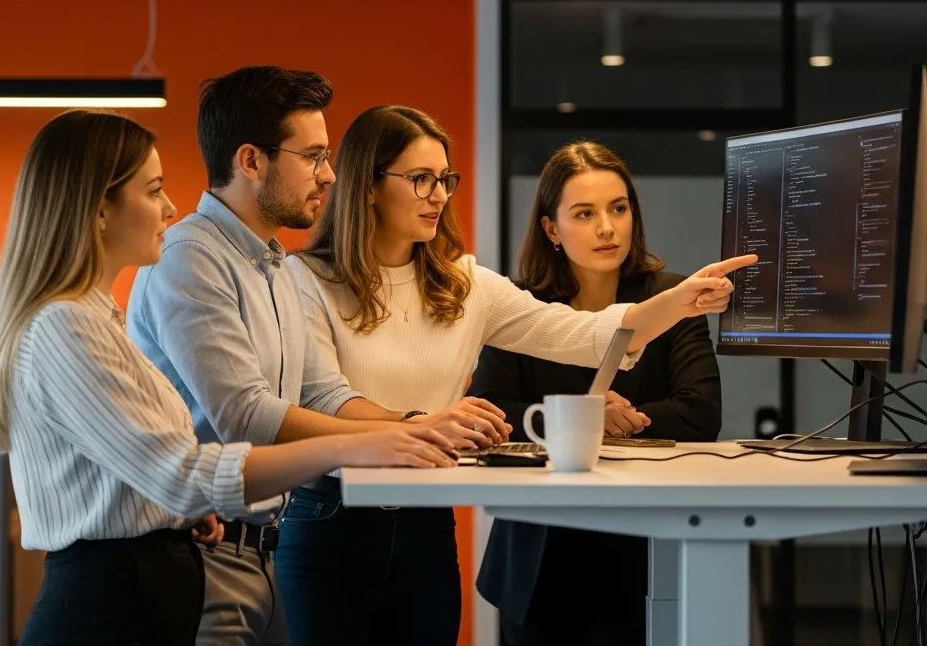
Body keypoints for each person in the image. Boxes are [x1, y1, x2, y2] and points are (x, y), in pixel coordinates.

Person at [0, 109, 459, 646]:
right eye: (153, 190)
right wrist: (346, 447)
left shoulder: (97, 317)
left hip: (143, 589)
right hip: (107, 603)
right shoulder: (67, 324)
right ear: (99, 210)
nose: (170, 207)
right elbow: (182, 470)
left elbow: (142, 462)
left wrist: (175, 515)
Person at [279, 106, 754, 645]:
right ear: (367, 186)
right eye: (421, 179)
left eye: (445, 179)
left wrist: (677, 301)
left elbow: (585, 332)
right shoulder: (306, 279)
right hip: (329, 519)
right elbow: (324, 399)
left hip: (425, 524)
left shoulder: (465, 284)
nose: (439, 195)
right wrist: (428, 424)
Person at [126, 68, 508, 646]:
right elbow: (247, 417)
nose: (329, 175)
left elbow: (322, 392)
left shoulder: (275, 262)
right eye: (312, 157)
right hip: (202, 548)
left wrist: (419, 426)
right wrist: (373, 443)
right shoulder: (190, 257)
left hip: (263, 548)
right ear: (251, 161)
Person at [467, 140, 723, 646]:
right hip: (536, 551)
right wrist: (579, 417)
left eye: (619, 208)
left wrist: (595, 424)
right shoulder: (520, 305)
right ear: (551, 229)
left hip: (642, 541)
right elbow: (489, 411)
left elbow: (699, 416)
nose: (607, 228)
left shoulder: (669, 300)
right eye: (584, 213)